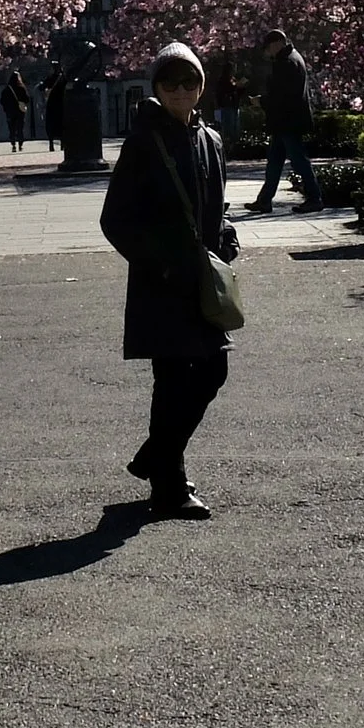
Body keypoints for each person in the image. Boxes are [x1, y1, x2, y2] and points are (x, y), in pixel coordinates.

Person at [98, 42, 239, 521]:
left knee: (213, 371)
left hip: (201, 279)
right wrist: (160, 263)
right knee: (175, 378)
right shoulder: (144, 142)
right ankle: (168, 484)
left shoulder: (210, 139)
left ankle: (156, 458)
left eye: (191, 82)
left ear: (201, 87)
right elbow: (116, 219)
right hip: (163, 282)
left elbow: (216, 206)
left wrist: (227, 237)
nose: (182, 91)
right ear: (157, 87)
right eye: (171, 82)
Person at [243, 29, 323, 213]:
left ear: (277, 43)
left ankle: (314, 197)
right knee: (275, 160)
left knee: (298, 160)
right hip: (286, 120)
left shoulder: (286, 63)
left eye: (269, 47)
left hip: (287, 120)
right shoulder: (294, 58)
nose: (268, 52)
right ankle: (264, 200)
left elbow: (281, 96)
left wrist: (260, 101)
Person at [1, 70, 32, 153]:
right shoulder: (21, 88)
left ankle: (13, 144)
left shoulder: (7, 89)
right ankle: (20, 144)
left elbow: (2, 101)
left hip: (10, 111)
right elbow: (27, 99)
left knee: (12, 128)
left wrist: (6, 108)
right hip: (20, 111)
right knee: (20, 128)